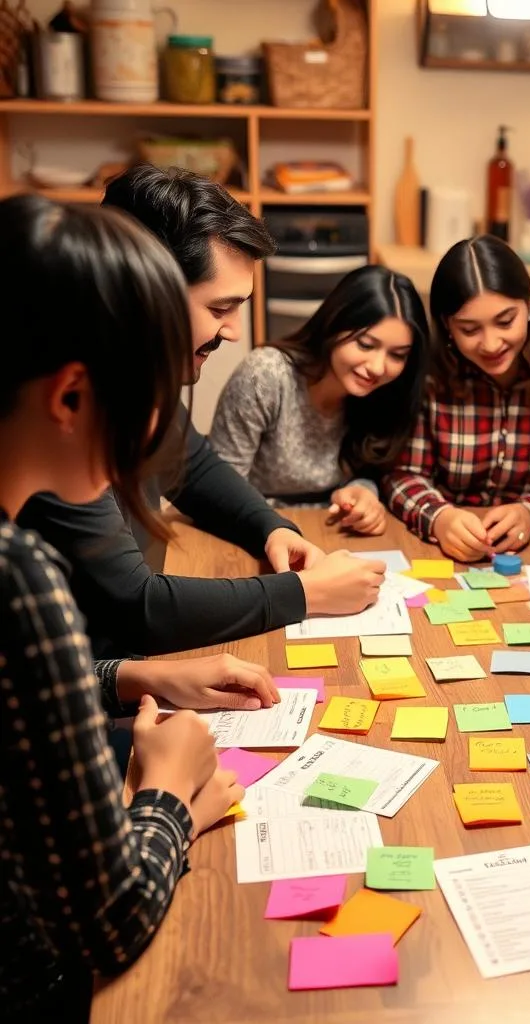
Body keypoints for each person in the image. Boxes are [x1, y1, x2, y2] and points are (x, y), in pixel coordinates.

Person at [0, 195, 275, 1018]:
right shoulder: (21, 575)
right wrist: (171, 796)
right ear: (73, 395)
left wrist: (127, 677)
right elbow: (107, 924)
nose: (164, 426)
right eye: (154, 388)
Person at [17, 166, 384, 657]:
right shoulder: (68, 418)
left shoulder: (141, 372)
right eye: (219, 309)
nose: (234, 331)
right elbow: (134, 606)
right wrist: (307, 594)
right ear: (148, 291)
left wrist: (270, 527)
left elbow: (190, 463)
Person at [382, 235, 530, 561]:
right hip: (444, 552)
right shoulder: (430, 375)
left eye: (505, 321)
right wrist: (439, 518)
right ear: (447, 326)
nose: (491, 344)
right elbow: (403, 474)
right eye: (469, 329)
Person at [210, 264, 429, 531]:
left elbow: (367, 472)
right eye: (366, 345)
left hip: (334, 533)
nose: (378, 367)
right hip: (251, 529)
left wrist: (364, 493)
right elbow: (219, 491)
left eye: (398, 355)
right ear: (335, 324)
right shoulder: (266, 375)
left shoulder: (386, 392)